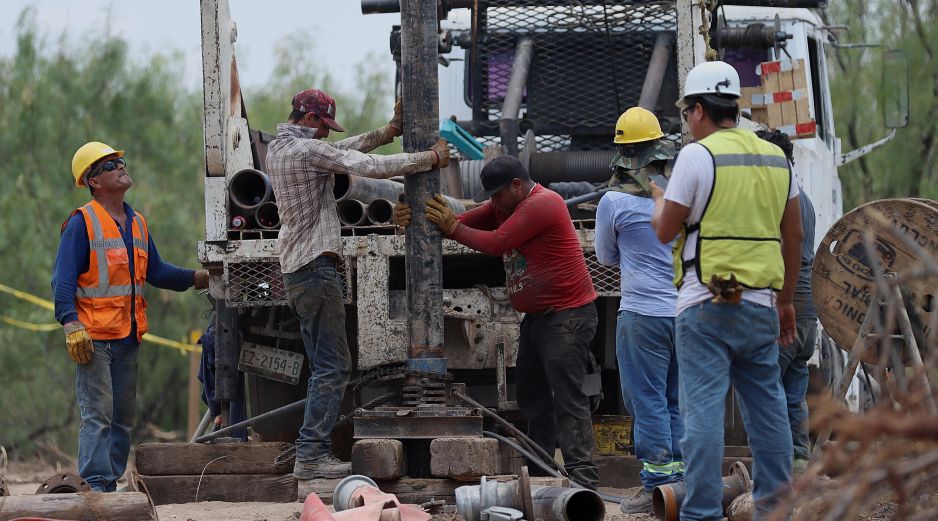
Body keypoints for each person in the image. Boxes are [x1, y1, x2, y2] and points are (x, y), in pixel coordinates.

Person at [265, 89, 449, 480]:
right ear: (312, 119)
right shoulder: (308, 152)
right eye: (324, 128)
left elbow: (347, 147)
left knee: (323, 367)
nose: (327, 136)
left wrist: (391, 129)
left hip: (297, 272)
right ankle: (312, 455)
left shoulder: (281, 149)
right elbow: (369, 166)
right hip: (316, 270)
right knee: (334, 368)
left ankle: (310, 453)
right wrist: (429, 159)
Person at [650, 60, 802, 520]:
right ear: (733, 107)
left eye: (687, 112)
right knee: (769, 408)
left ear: (698, 110)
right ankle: (776, 509)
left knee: (702, 411)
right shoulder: (777, 158)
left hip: (707, 302)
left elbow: (664, 231)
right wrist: (786, 300)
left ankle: (700, 514)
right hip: (760, 303)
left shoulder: (697, 156)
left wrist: (659, 200)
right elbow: (792, 236)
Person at [394, 155, 600, 489]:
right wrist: (415, 217)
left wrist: (453, 227)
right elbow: (459, 221)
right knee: (534, 396)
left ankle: (583, 479)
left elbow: (496, 241)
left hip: (566, 316)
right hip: (540, 317)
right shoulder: (505, 205)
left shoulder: (542, 204)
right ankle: (541, 470)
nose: (493, 202)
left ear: (517, 186)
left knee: (567, 395)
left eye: (497, 194)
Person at [52, 141, 209, 492]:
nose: (121, 166)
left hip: (128, 337)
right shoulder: (82, 224)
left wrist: (198, 278)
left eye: (121, 161)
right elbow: (62, 280)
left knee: (122, 419)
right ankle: (95, 487)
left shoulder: (137, 223)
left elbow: (157, 271)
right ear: (93, 181)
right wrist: (70, 321)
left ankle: (110, 482)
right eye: (110, 165)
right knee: (98, 416)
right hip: (93, 339)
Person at [595, 107, 684, 513]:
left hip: (642, 313)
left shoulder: (613, 201)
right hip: (685, 312)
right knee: (676, 400)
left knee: (647, 402)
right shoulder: (682, 193)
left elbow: (605, 257)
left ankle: (656, 489)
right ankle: (682, 485)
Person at [755, 129, 817, 474]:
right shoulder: (803, 198)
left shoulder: (779, 195)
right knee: (794, 392)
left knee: (766, 393)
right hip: (810, 314)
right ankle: (798, 464)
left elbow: (781, 252)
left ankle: (772, 470)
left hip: (785, 306)